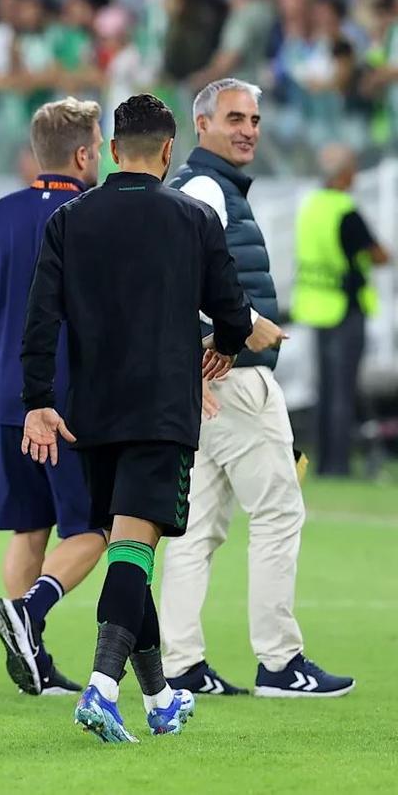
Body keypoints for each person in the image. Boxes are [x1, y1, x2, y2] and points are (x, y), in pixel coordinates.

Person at [21, 93, 253, 743]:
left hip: (92, 414)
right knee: (132, 551)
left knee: (130, 546)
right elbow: (232, 308)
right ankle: (101, 689)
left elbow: (40, 319)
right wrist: (225, 346)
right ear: (169, 150)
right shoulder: (192, 218)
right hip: (160, 409)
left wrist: (39, 399)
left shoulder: (71, 219)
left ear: (114, 150)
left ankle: (158, 700)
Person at [161, 78, 355, 698]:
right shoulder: (205, 190)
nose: (248, 129)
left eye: (255, 119)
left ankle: (181, 664)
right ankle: (280, 662)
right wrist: (217, 342)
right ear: (203, 126)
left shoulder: (208, 188)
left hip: (213, 381)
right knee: (276, 512)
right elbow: (174, 280)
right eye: (235, 118)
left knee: (196, 528)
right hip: (235, 378)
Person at [0, 97, 107, 696]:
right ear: (84, 153)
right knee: (94, 528)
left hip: (10, 401)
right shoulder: (93, 215)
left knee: (28, 529)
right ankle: (29, 613)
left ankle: (34, 662)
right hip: (70, 404)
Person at [292, 143, 390, 476]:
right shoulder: (345, 209)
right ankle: (338, 466)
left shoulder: (311, 205)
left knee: (325, 390)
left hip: (315, 307)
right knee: (343, 392)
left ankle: (323, 463)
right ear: (345, 173)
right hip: (344, 309)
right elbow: (378, 255)